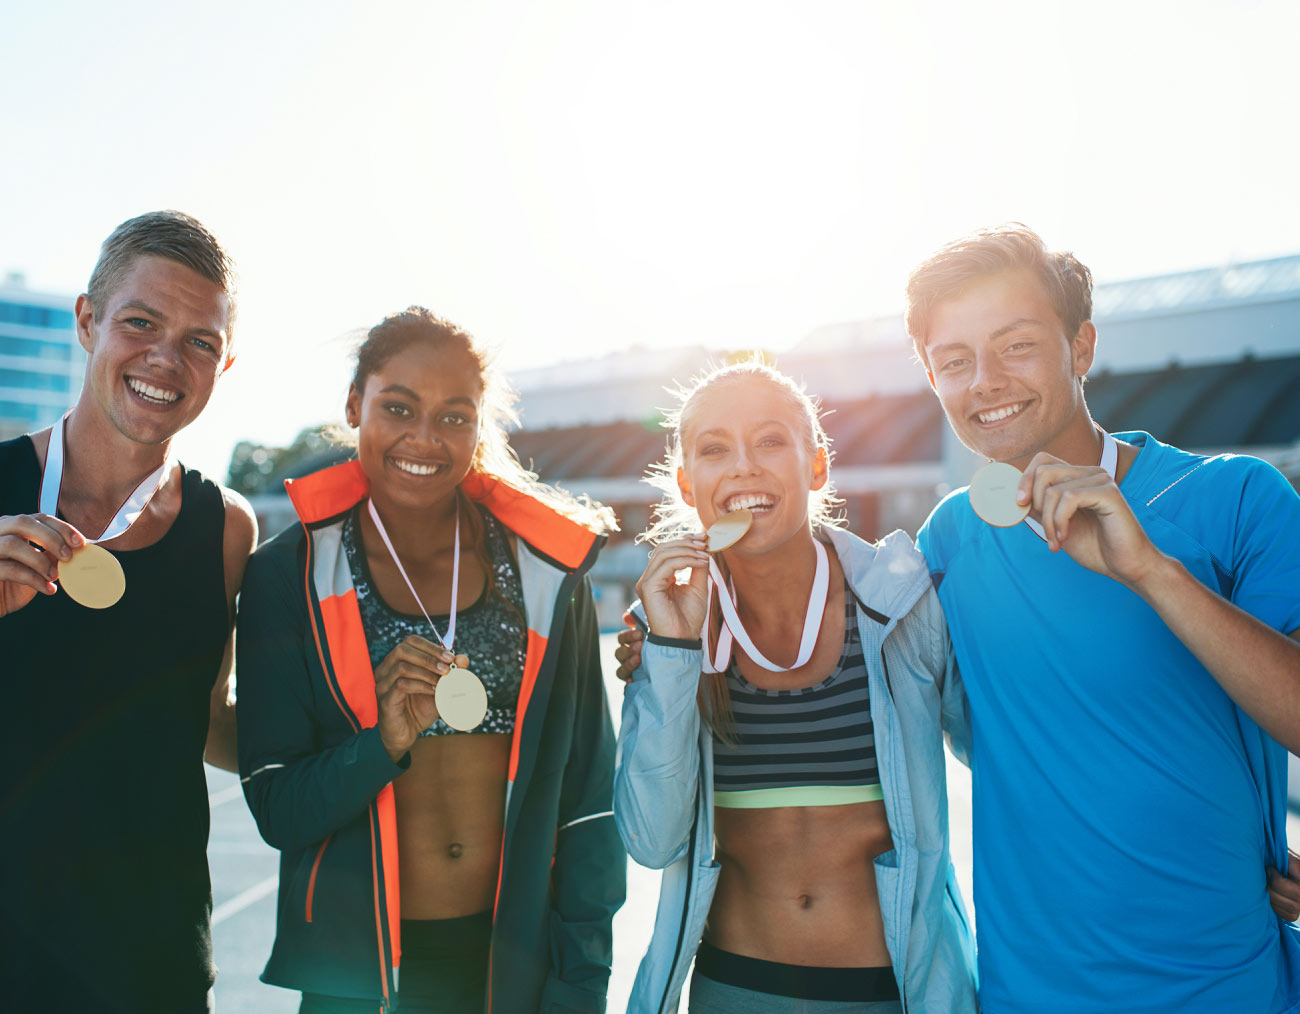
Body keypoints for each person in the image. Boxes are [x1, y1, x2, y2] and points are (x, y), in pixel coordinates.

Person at [906, 224, 1300, 1014]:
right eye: (954, 362)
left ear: (1080, 348)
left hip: (1227, 984)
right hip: (1030, 994)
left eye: (1016, 346)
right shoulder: (945, 542)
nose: (984, 381)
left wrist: (1149, 570)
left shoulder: (1238, 499)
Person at [235, 307, 624, 1014]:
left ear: (480, 428)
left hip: (511, 974)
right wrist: (381, 745)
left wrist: (580, 983)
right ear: (355, 407)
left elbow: (588, 798)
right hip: (357, 984)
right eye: (398, 408)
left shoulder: (543, 570)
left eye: (453, 416)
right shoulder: (284, 576)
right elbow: (278, 808)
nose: (424, 438)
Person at [613, 359, 977, 1014]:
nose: (744, 467)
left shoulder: (900, 600)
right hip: (734, 991)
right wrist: (671, 652)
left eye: (771, 440)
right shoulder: (665, 627)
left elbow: (997, 749)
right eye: (715, 449)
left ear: (817, 465)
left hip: (891, 993)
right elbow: (652, 840)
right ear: (688, 485)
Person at [0, 210, 254, 1012]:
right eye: (140, 322)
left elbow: (205, 718)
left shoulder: (227, 529)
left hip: (152, 968)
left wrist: (363, 733)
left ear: (224, 362)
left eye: (199, 341)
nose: (165, 358)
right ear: (87, 322)